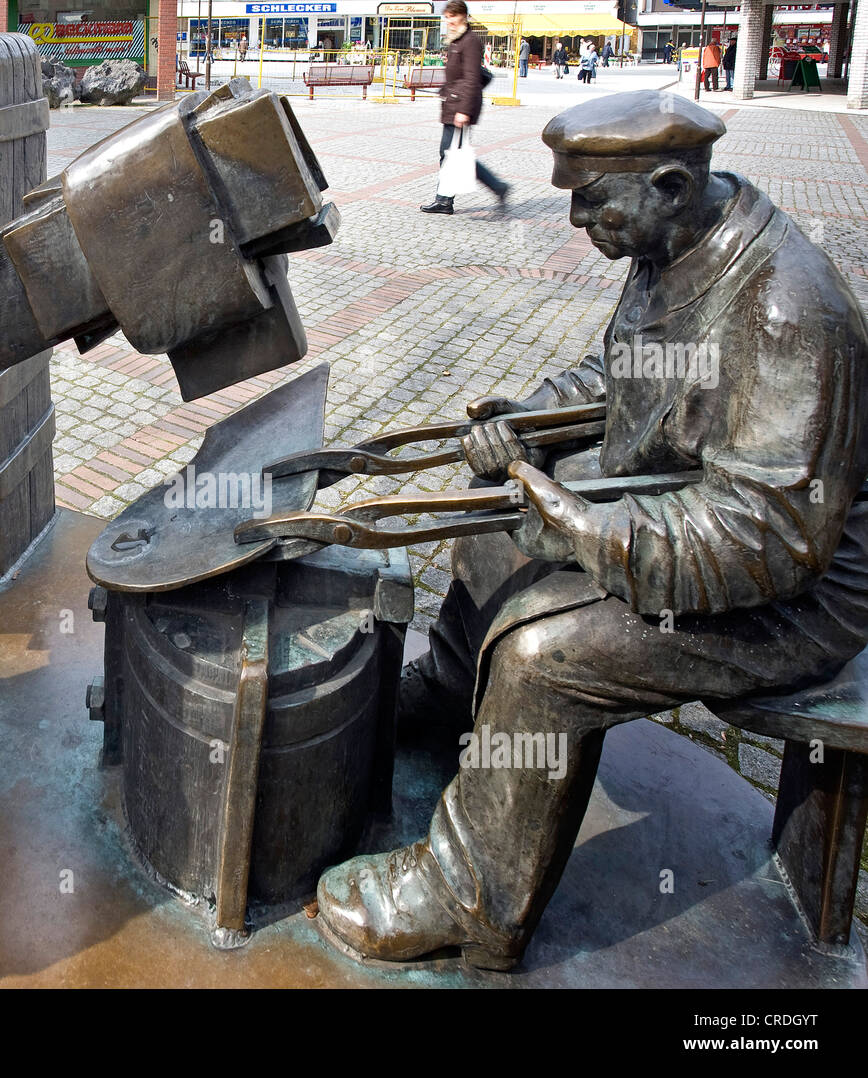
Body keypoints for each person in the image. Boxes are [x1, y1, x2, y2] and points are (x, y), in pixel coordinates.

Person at [316, 89, 868, 969]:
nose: (575, 220)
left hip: (804, 591)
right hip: (694, 501)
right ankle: (457, 691)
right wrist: (532, 420)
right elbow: (625, 375)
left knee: (551, 660)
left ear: (675, 183)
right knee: (496, 521)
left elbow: (770, 538)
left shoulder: (789, 308)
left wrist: (581, 529)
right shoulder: (674, 243)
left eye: (592, 200)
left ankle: (473, 897)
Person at [422, 0, 510, 216]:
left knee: (454, 154)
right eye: (447, 17)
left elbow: (472, 79)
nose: (449, 21)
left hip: (461, 106)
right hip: (453, 103)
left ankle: (497, 187)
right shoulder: (456, 40)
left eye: (453, 16)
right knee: (450, 153)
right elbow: (456, 76)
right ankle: (444, 200)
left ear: (463, 16)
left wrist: (464, 110)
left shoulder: (470, 41)